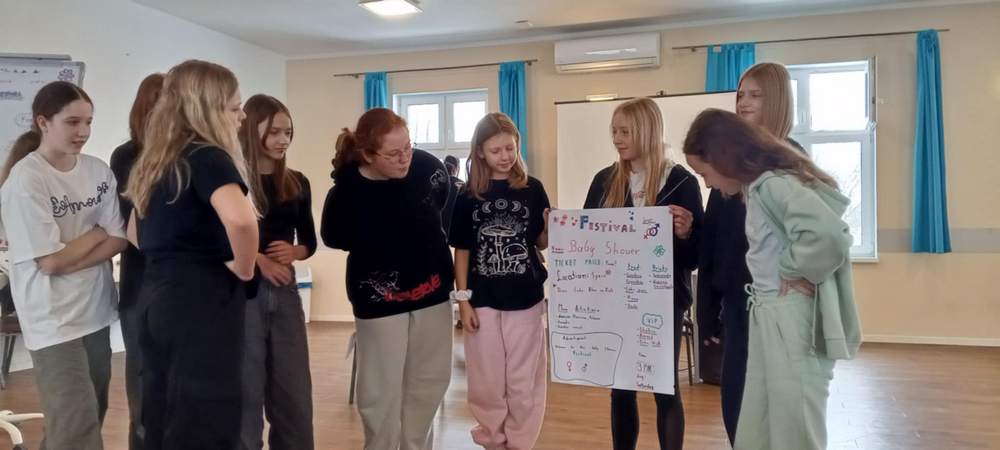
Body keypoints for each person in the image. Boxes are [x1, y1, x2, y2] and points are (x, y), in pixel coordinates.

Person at [683, 108, 861, 450]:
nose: (707, 184)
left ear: (722, 158)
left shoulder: (773, 183)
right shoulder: (757, 188)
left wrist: (791, 268)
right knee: (759, 423)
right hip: (768, 314)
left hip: (788, 317)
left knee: (794, 427)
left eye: (704, 173)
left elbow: (830, 235)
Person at [124, 59, 258, 450]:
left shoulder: (158, 160)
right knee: (205, 416)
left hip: (157, 296)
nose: (242, 116)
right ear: (207, 110)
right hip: (201, 302)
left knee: (164, 409)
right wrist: (244, 268)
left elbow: (134, 233)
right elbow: (242, 222)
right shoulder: (208, 156)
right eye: (234, 108)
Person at [0, 81, 127, 450]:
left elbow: (119, 238)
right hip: (52, 320)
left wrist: (71, 255)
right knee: (75, 425)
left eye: (88, 122)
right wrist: (96, 233)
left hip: (95, 311)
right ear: (44, 122)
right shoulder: (27, 179)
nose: (83, 132)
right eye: (72, 122)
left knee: (89, 414)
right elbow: (51, 261)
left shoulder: (98, 171)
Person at [320, 108, 453, 450]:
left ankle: (415, 446)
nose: (405, 158)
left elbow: (444, 214)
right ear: (368, 154)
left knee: (429, 380)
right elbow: (334, 237)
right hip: (379, 301)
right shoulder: (346, 193)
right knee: (380, 389)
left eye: (408, 147)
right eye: (393, 154)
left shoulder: (429, 169)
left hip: (433, 293)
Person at [582, 97, 703, 450]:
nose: (617, 139)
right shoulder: (604, 181)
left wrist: (686, 233)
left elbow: (695, 257)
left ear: (647, 132)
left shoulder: (681, 182)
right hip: (617, 299)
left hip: (665, 301)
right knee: (621, 388)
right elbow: (588, 242)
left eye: (625, 132)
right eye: (614, 132)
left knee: (665, 387)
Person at [695, 62, 805, 445]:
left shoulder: (792, 162)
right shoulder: (728, 161)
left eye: (755, 95)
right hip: (737, 306)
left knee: (775, 410)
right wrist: (707, 312)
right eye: (741, 94)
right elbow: (713, 241)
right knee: (736, 405)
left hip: (778, 309)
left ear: (776, 100)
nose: (743, 102)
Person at [450, 113, 550, 450]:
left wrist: (551, 226)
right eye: (496, 151)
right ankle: (492, 440)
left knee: (523, 380)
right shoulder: (467, 196)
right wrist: (463, 300)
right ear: (480, 152)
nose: (505, 156)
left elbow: (540, 242)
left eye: (510, 148)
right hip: (482, 299)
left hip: (526, 297)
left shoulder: (533, 188)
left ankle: (520, 443)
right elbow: (462, 250)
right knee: (487, 380)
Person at [238, 94, 316, 450]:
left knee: (294, 391)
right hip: (244, 293)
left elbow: (308, 242)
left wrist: (293, 252)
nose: (283, 140)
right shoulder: (235, 182)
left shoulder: (297, 182)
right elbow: (220, 239)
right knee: (247, 391)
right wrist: (260, 259)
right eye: (274, 132)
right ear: (252, 131)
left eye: (288, 132)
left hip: (284, 291)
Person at [110, 72, 165, 450]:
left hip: (179, 286)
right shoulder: (127, 155)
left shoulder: (190, 153)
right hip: (142, 283)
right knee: (144, 381)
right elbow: (132, 225)